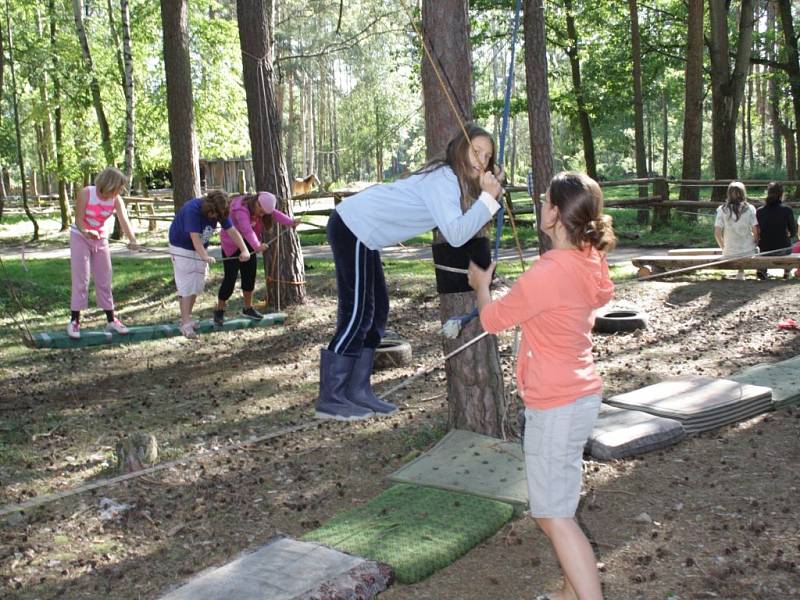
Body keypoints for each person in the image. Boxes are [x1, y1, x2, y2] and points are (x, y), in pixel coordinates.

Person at [468, 172, 615, 600]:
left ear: (554, 213)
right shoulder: (590, 259)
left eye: (545, 200)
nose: (540, 205)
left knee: (553, 515)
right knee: (557, 508)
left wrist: (481, 287)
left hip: (556, 403)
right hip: (579, 395)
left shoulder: (548, 273)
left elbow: (492, 320)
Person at [316, 124, 504, 421]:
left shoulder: (453, 181)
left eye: (487, 156)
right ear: (459, 147)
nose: (480, 160)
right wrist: (489, 200)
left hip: (365, 234)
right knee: (357, 314)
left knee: (377, 313)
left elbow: (461, 227)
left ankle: (357, 390)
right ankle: (331, 396)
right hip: (352, 225)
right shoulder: (443, 179)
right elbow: (456, 235)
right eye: (475, 150)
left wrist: (486, 199)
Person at [67, 167, 139, 339]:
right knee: (81, 278)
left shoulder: (116, 199)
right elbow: (78, 220)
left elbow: (124, 220)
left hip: (100, 238)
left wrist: (133, 239)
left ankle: (111, 319)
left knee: (104, 278)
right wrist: (86, 232)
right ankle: (74, 320)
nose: (120, 191)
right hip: (80, 236)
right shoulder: (86, 193)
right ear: (110, 184)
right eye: (119, 187)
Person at [168, 190, 250, 339]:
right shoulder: (192, 209)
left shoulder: (219, 210)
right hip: (182, 247)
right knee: (186, 285)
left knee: (196, 285)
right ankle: (185, 323)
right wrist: (205, 256)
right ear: (209, 208)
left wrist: (244, 249)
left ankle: (187, 318)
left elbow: (232, 230)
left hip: (199, 248)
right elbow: (195, 238)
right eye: (214, 215)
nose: (215, 219)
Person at [214, 191, 300, 326]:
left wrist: (290, 222)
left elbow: (275, 214)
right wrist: (257, 245)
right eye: (261, 211)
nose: (262, 214)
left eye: (264, 213)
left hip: (249, 242)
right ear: (256, 202)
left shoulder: (263, 206)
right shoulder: (241, 209)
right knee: (230, 279)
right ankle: (219, 310)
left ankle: (248, 308)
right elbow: (247, 230)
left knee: (249, 276)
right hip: (231, 244)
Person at [714, 181, 758, 280]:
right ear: (743, 193)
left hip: (729, 252)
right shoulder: (750, 209)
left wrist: (724, 248)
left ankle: (741, 272)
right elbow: (755, 231)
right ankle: (741, 272)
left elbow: (717, 233)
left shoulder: (722, 210)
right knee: (755, 247)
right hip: (748, 251)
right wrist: (756, 243)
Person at [755, 182, 797, 280]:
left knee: (763, 246)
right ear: (781, 194)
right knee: (788, 244)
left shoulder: (760, 211)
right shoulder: (787, 210)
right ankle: (787, 270)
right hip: (783, 249)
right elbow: (794, 232)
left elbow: (758, 230)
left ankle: (763, 270)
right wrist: (787, 236)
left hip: (764, 249)